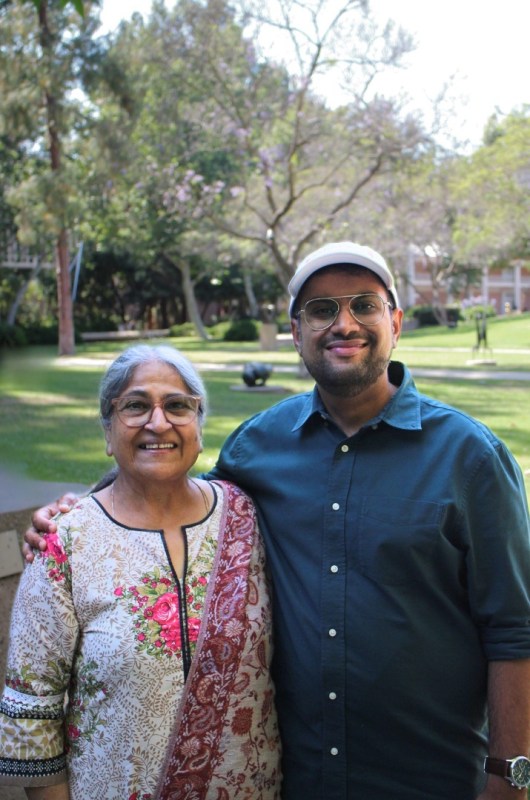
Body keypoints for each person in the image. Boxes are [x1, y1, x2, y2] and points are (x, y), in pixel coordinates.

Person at [22, 242, 530, 800]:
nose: (344, 323)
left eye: (364, 305)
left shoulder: (471, 458)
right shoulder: (257, 447)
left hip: (431, 780)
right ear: (296, 330)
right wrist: (79, 511)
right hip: (297, 781)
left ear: (396, 321)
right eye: (321, 308)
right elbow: (168, 480)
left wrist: (512, 777)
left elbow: (513, 629)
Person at [0, 344, 281, 799]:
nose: (158, 422)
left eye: (177, 405)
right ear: (108, 432)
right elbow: (34, 710)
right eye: (135, 406)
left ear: (199, 426)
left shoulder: (247, 517)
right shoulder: (66, 542)